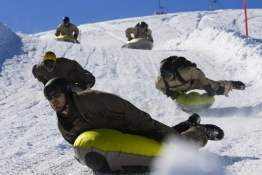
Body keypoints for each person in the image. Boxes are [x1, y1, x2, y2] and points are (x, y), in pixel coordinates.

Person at [43, 77, 224, 148]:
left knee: (178, 144)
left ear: (66, 92)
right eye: (49, 97)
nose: (53, 99)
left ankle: (201, 131)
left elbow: (128, 110)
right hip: (119, 140)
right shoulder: (63, 125)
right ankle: (187, 124)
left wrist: (152, 129)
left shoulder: (90, 99)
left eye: (56, 94)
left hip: (136, 124)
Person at [155, 55, 246, 100]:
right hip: (178, 89)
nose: (167, 78)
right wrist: (168, 92)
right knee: (172, 92)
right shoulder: (160, 82)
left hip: (191, 83)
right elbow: (159, 87)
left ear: (173, 72)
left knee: (216, 88)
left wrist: (206, 86)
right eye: (164, 76)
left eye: (169, 75)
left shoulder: (184, 72)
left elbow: (199, 74)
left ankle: (232, 84)